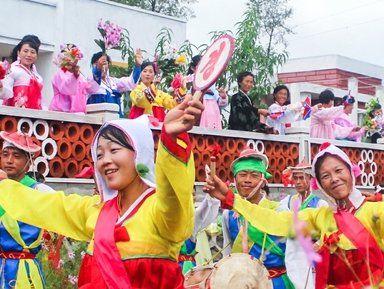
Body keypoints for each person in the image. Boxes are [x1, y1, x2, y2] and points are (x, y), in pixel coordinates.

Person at [0, 92, 203, 288]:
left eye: (114, 150)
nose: (106, 161)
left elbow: (174, 194)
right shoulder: (96, 211)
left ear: (140, 154)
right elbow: (48, 204)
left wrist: (171, 140)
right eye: (100, 154)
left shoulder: (160, 211)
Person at [204, 142, 384, 288]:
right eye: (325, 176)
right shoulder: (320, 216)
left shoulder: (376, 211)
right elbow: (276, 220)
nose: (334, 179)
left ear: (351, 172)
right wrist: (231, 198)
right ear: (320, 184)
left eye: (339, 171)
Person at [197, 148, 294, 289]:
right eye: (242, 174)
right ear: (235, 179)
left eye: (254, 175)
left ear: (263, 180)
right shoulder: (228, 215)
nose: (247, 180)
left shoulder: (278, 210)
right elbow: (228, 254)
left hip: (276, 282)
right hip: (242, 283)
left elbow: (293, 255)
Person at [0, 131, 53, 289]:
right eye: (5, 154)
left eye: (16, 156)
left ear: (28, 163)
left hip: (24, 269)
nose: (9, 160)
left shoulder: (39, 191)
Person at [279, 160, 328, 289]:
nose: (298, 182)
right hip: (290, 252)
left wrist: (318, 244)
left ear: (310, 179)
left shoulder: (320, 204)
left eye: (302, 178)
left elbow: (327, 231)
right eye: (295, 178)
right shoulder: (287, 202)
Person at [87, 49, 142, 117]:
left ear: (108, 65)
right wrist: (98, 68)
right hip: (97, 119)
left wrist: (137, 66)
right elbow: (94, 83)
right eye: (97, 63)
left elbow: (131, 83)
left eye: (105, 63)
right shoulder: (90, 81)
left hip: (115, 119)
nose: (102, 66)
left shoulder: (113, 82)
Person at [49, 44, 99, 113]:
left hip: (78, 112)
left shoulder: (80, 75)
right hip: (61, 111)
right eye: (67, 58)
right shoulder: (59, 74)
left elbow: (89, 89)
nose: (70, 61)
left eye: (72, 58)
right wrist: (75, 75)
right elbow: (66, 89)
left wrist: (97, 72)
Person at [0, 35, 43, 109]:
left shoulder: (37, 76)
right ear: (18, 53)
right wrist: (1, 86)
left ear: (36, 56)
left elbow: (40, 99)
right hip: (15, 116)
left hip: (35, 117)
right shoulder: (13, 70)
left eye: (33, 52)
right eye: (25, 51)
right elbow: (6, 94)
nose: (29, 55)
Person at [187, 55, 228, 129]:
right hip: (197, 113)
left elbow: (220, 104)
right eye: (201, 65)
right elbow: (186, 99)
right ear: (193, 68)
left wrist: (223, 97)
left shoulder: (211, 82)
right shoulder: (189, 80)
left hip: (212, 114)